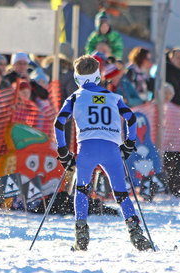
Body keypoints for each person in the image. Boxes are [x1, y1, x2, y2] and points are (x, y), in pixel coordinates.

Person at [54, 55, 152, 251]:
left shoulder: (74, 97)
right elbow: (131, 119)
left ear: (76, 78)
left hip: (86, 149)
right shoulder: (114, 97)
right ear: (98, 77)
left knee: (81, 189)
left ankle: (81, 232)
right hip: (111, 149)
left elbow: (59, 123)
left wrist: (63, 150)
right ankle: (135, 232)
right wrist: (129, 143)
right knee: (121, 193)